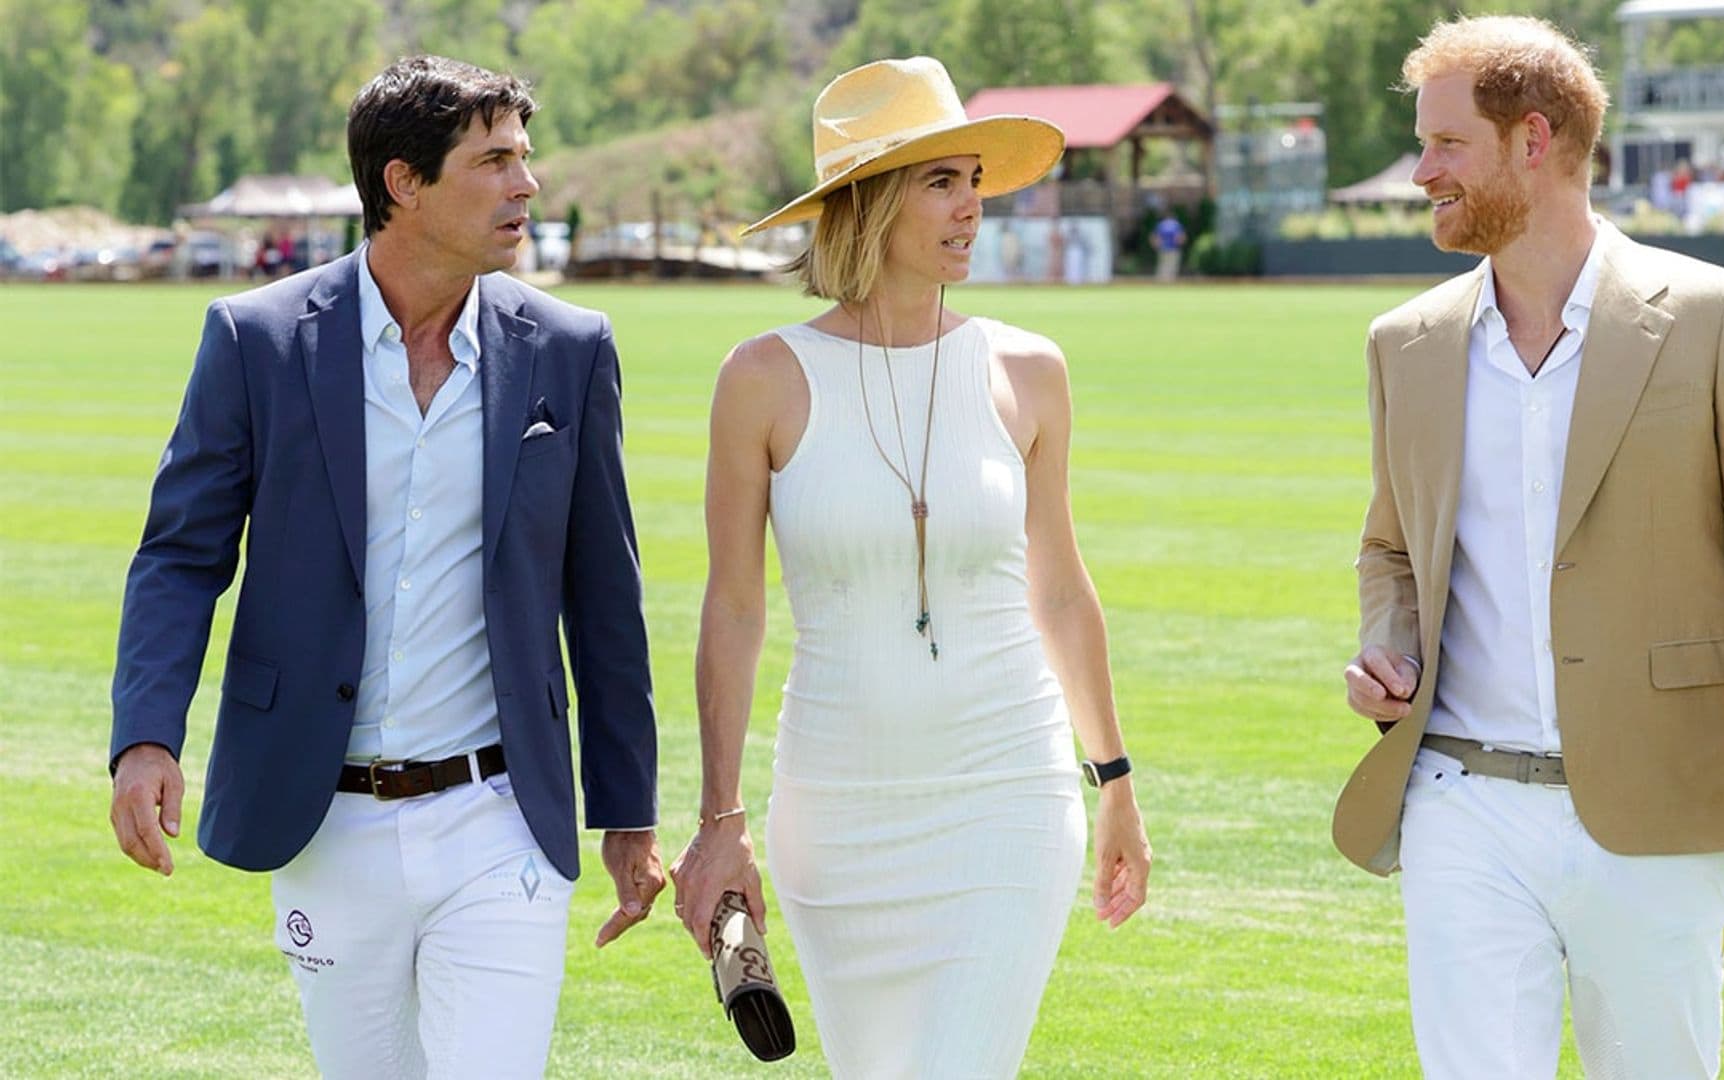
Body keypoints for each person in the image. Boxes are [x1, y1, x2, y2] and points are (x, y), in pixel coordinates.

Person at [107, 55, 664, 1078]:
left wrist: (627, 812)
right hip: (326, 823)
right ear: (403, 182)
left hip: (500, 820)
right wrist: (146, 736)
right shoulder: (256, 341)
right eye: (495, 161)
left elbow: (605, 595)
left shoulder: (571, 350)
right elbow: (180, 556)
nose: (526, 185)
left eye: (525, 159)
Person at [1332, 16, 1724, 1079]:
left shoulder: (1712, 316)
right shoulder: (1405, 344)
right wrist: (1390, 643)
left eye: (1445, 144)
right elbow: (1391, 550)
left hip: (1658, 809)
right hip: (1459, 804)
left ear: (1534, 140)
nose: (1422, 170)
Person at [666, 56, 1151, 1078]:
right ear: (868, 202)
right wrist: (719, 822)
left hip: (1006, 798)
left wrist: (1113, 780)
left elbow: (1059, 588)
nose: (973, 206)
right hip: (835, 816)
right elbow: (735, 610)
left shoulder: (1029, 371)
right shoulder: (762, 379)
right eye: (942, 181)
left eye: (975, 178)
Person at [1150, 209, 1185, 281]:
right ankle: (1170, 282)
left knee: (1162, 266)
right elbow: (1180, 237)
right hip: (1173, 248)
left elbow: (1155, 237)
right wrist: (1179, 244)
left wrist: (1156, 246)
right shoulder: (1176, 224)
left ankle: (1161, 282)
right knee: (1172, 266)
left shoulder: (1161, 224)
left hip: (1163, 248)